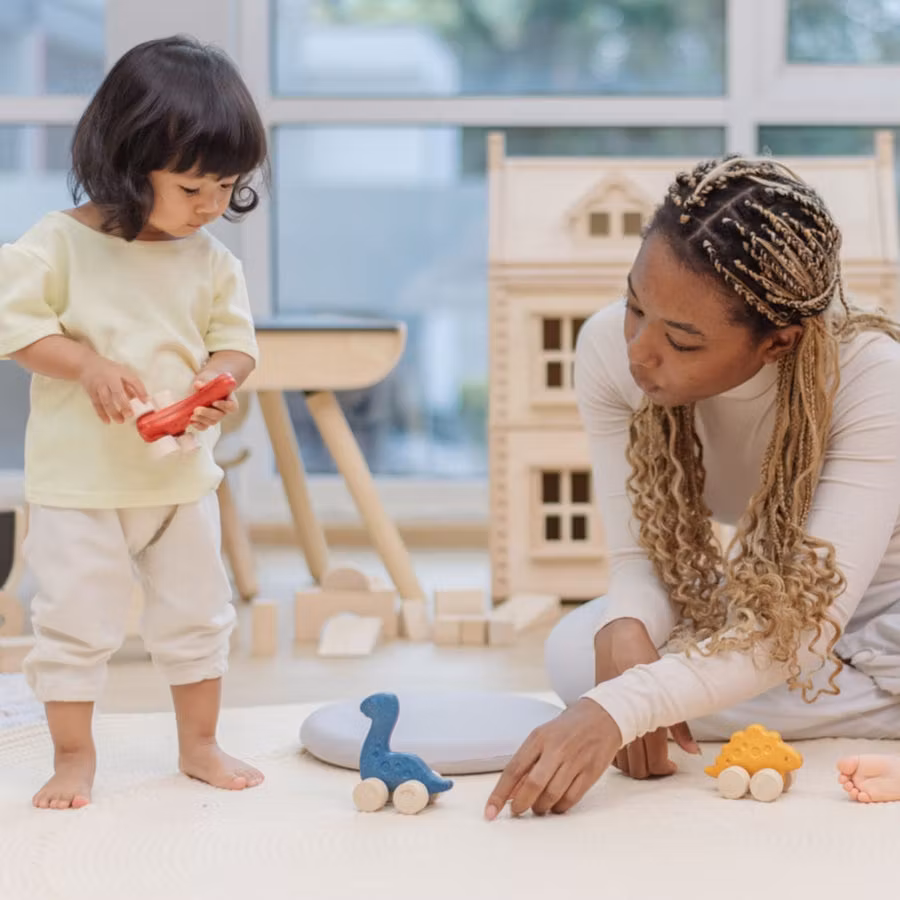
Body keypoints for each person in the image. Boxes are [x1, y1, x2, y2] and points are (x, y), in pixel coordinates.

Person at [485, 154, 900, 820]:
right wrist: (628, 628)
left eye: (681, 341)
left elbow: (800, 629)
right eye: (634, 306)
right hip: (779, 609)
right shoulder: (606, 351)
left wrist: (624, 706)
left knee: (621, 692)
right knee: (578, 654)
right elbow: (638, 558)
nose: (639, 352)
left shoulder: (872, 378)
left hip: (875, 617)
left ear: (777, 343)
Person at [0, 35, 268, 809]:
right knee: (75, 622)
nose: (211, 205)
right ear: (127, 160)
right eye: (192, 187)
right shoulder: (56, 245)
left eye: (227, 186)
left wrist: (219, 381)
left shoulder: (210, 260)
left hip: (179, 481)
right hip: (80, 488)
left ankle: (200, 744)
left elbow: (235, 344)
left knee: (199, 616)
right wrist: (85, 364)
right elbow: (16, 327)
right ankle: (73, 756)